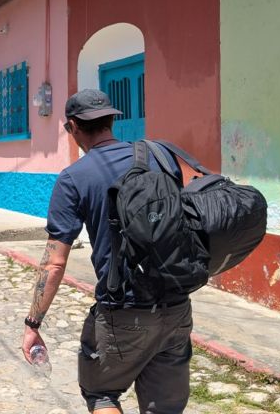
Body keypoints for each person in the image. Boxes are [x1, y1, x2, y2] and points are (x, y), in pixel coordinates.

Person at [20, 89, 193, 414]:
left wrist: (33, 324)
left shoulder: (74, 178)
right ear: (111, 120)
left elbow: (54, 263)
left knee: (102, 394)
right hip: (176, 307)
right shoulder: (160, 157)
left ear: (73, 126)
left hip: (122, 311)